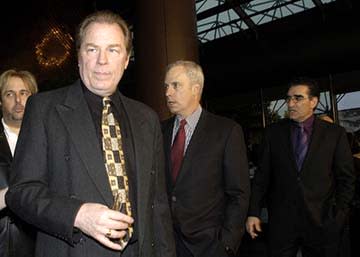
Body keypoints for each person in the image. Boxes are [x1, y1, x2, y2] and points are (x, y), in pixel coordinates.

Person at [5, 10, 175, 257]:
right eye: (92, 49)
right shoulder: (44, 109)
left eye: (113, 50)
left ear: (126, 59)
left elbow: (158, 204)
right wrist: (78, 215)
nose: (102, 61)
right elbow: (21, 193)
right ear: (79, 57)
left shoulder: (146, 118)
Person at [245, 77, 356, 257]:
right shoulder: (273, 133)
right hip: (282, 223)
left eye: (297, 98)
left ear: (313, 101)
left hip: (322, 222)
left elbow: (347, 178)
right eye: (288, 99)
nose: (290, 104)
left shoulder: (334, 134)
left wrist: (340, 214)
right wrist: (253, 212)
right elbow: (262, 177)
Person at [162, 60, 250, 257]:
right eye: (166, 86)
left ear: (195, 89)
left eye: (175, 85)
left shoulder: (226, 131)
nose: (168, 92)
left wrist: (227, 244)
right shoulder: (159, 131)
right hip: (166, 244)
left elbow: (238, 193)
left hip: (209, 246)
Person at [0, 69, 38, 257]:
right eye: (10, 94)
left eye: (24, 93)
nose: (18, 100)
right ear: (0, 101)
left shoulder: (49, 139)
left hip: (42, 244)